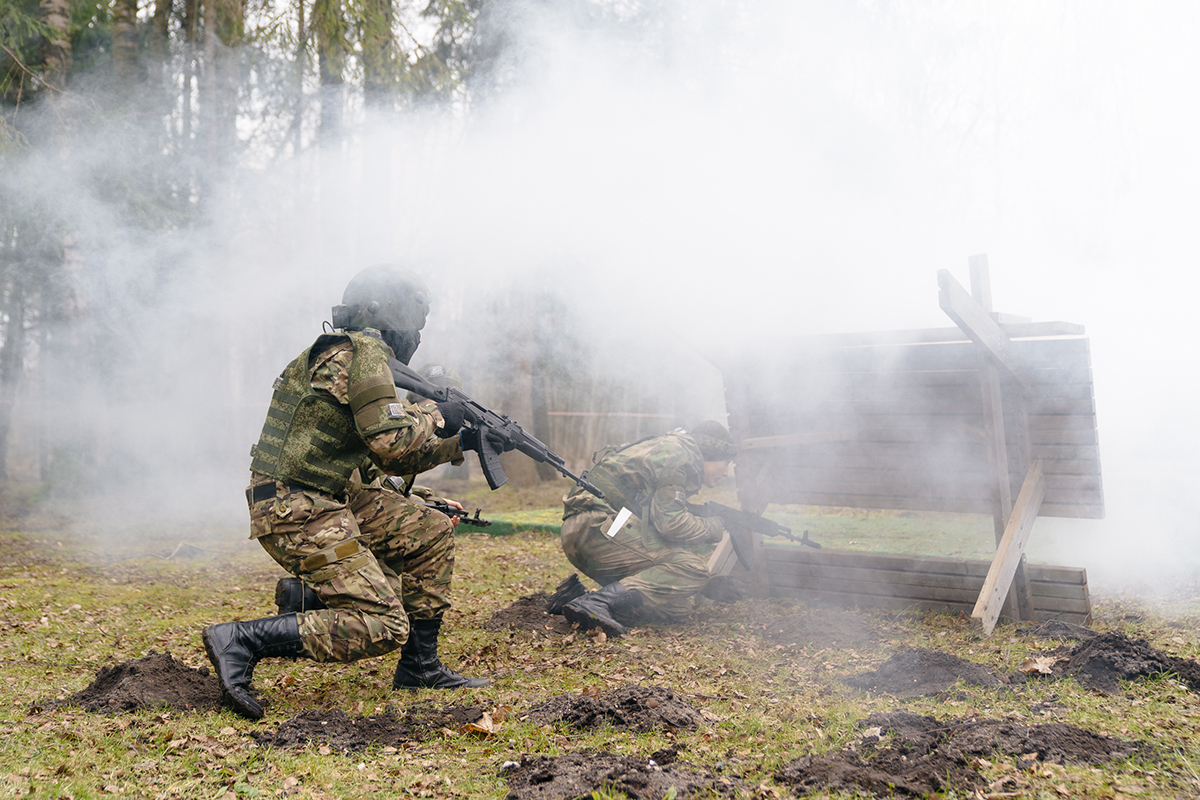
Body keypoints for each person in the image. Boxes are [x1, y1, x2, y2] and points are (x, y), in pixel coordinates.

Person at [203, 264, 487, 721]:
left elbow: (387, 462)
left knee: (429, 530)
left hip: (324, 496)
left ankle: (420, 666)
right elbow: (392, 444)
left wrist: (459, 441)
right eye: (416, 320)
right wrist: (437, 414)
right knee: (382, 622)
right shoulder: (363, 353)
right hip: (295, 504)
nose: (416, 334)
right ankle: (241, 640)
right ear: (391, 313)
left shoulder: (351, 353)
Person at [557, 421, 738, 637]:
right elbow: (672, 525)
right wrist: (716, 525)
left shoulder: (671, 449)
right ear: (710, 453)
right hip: (597, 527)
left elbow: (658, 522)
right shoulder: (676, 456)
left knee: (675, 608)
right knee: (694, 570)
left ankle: (575, 598)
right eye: (726, 463)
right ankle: (595, 602)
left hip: (593, 529)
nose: (726, 472)